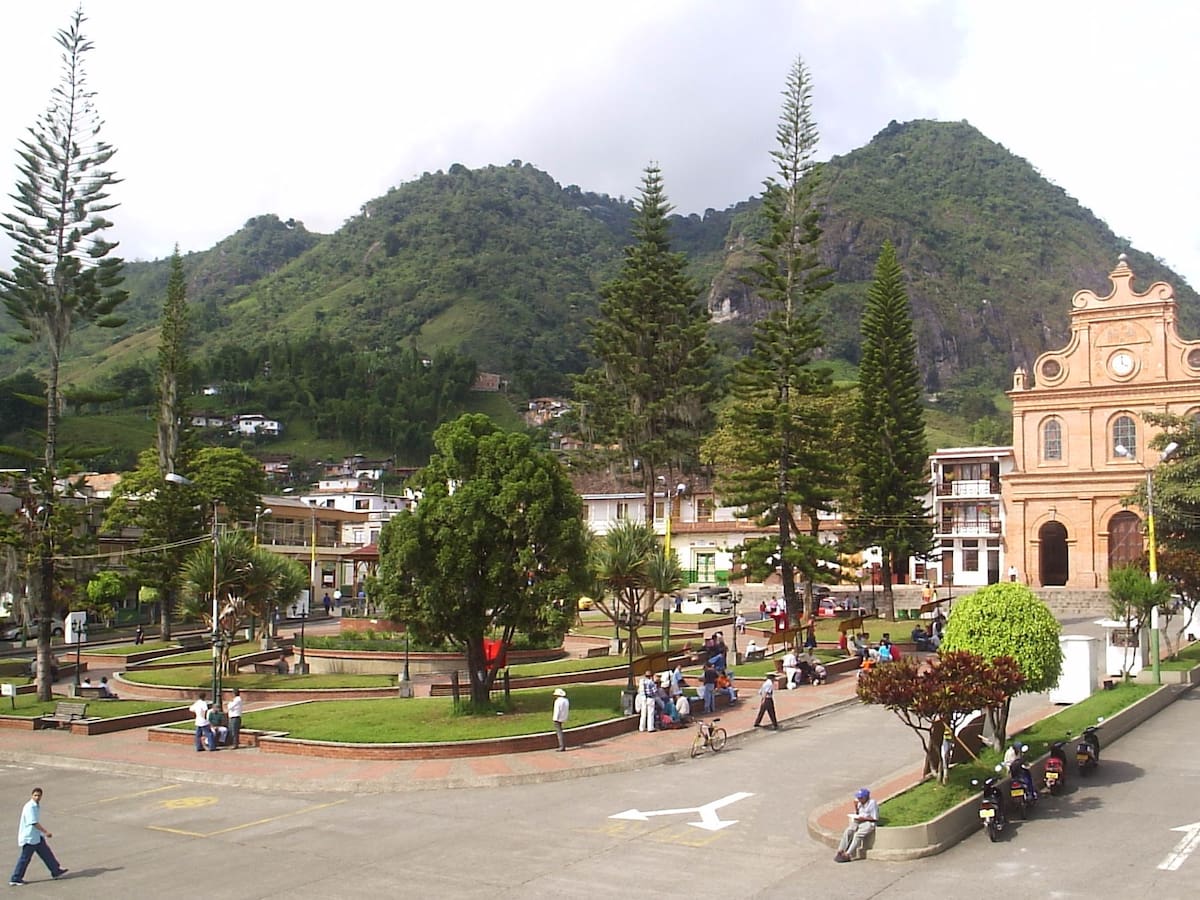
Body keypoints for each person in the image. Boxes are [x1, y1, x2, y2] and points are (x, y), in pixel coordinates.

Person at [9, 788, 67, 886]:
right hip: (30, 837)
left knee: (47, 853)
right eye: (35, 795)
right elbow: (33, 823)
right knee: (25, 858)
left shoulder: (36, 806)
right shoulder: (30, 807)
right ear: (32, 795)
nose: (37, 797)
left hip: (36, 836)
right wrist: (46, 832)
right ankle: (16, 878)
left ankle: (55, 871)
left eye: (39, 795)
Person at [835, 788, 879, 862]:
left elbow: (875, 818)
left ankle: (848, 854)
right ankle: (841, 850)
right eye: (858, 797)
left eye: (861, 798)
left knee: (857, 835)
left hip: (868, 822)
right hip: (859, 820)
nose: (859, 799)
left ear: (866, 797)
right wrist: (856, 807)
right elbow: (858, 813)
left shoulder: (872, 803)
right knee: (848, 831)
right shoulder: (859, 803)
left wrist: (864, 819)